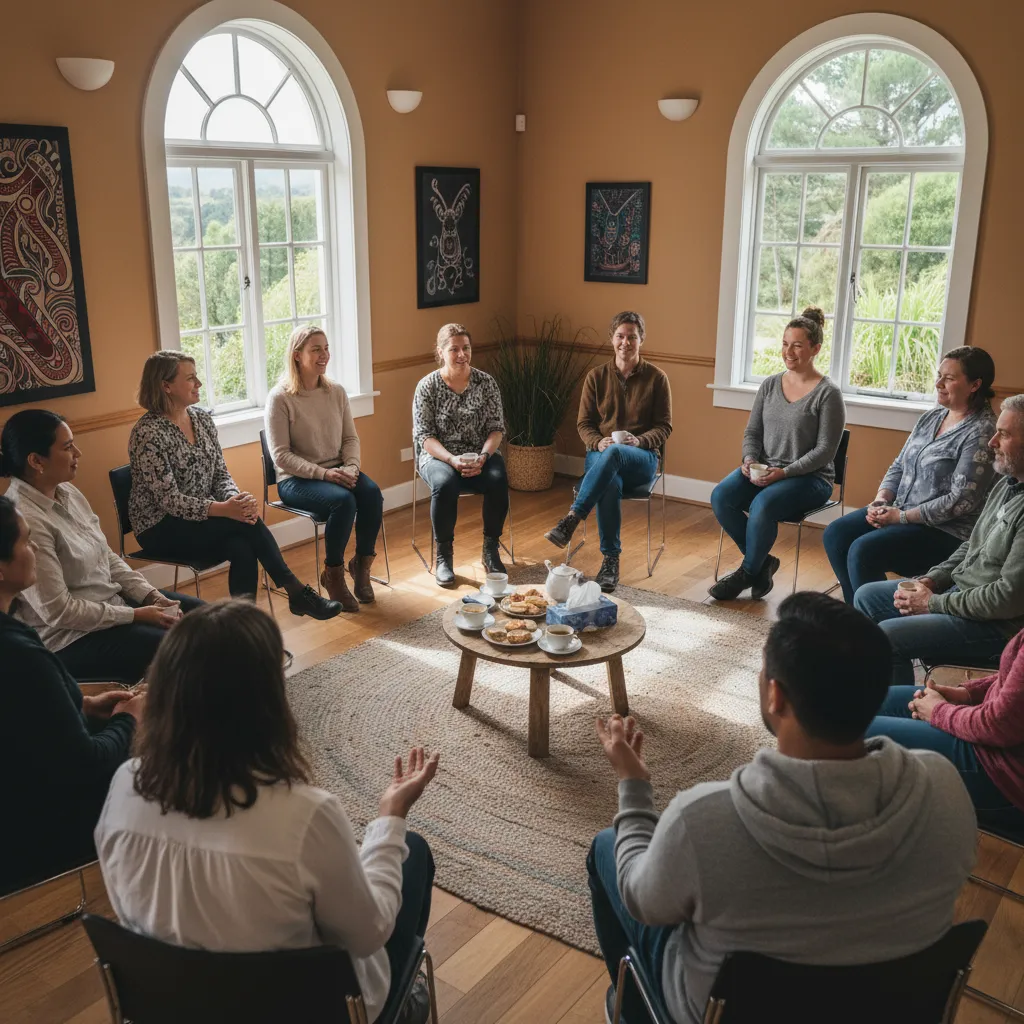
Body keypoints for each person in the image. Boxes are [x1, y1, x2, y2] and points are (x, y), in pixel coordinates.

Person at [587, 592, 975, 1024]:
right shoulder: (944, 786)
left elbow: (643, 900)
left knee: (609, 845)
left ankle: (636, 1010)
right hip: (894, 1007)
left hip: (723, 1009)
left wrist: (634, 785)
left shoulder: (704, 820)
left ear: (776, 695)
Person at [94, 600, 439, 1024]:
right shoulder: (304, 815)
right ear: (267, 702)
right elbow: (368, 934)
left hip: (176, 1007)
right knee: (413, 850)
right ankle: (403, 1008)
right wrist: (390, 816)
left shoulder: (125, 784)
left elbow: (129, 909)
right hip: (309, 1011)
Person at [0, 496, 144, 896]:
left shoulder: (16, 643)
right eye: (25, 543)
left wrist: (84, 705)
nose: (33, 551)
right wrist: (130, 717)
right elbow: (86, 765)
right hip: (41, 828)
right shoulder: (21, 655)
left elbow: (23, 714)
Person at [128, 351, 340, 619]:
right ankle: (295, 591)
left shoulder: (201, 419)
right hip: (160, 526)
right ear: (165, 386)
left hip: (204, 517)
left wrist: (236, 501)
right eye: (191, 378)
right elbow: (169, 501)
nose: (199, 384)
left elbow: (220, 473)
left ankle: (245, 628)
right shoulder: (147, 434)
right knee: (244, 526)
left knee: (242, 545)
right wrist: (224, 510)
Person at [1, 409, 202, 684]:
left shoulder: (67, 491)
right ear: (36, 461)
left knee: (206, 617)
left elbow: (106, 556)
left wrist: (150, 596)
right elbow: (59, 611)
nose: (78, 453)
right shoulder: (25, 518)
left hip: (111, 604)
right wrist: (135, 615)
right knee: (177, 646)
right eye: (68, 447)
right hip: (69, 638)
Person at [855, 394, 1024, 685]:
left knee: (890, 637)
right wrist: (933, 580)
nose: (992, 441)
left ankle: (903, 715)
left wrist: (934, 603)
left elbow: (1005, 600)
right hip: (959, 595)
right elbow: (972, 545)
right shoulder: (1007, 486)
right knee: (866, 596)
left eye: (1004, 434)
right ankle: (877, 694)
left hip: (995, 627)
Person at [824, 347, 997, 604]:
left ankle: (879, 623)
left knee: (864, 550)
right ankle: (857, 615)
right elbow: (899, 465)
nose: (938, 383)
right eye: (939, 375)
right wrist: (882, 499)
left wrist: (901, 517)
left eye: (949, 378)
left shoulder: (983, 431)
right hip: (901, 511)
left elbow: (961, 500)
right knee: (836, 534)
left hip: (945, 531)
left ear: (975, 384)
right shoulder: (931, 417)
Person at [708, 307, 846, 602]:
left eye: (797, 345)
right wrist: (748, 460)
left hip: (810, 479)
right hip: (765, 470)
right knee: (721, 496)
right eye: (785, 344)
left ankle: (747, 572)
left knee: (762, 504)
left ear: (815, 349)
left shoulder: (828, 394)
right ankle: (763, 564)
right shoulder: (770, 384)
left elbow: (824, 452)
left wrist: (784, 473)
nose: (789, 351)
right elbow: (752, 433)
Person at [544, 311, 672, 593]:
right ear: (612, 339)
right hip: (601, 455)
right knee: (609, 480)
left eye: (632, 337)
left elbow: (664, 427)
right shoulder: (596, 377)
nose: (625, 343)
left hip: (642, 458)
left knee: (614, 455)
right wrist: (597, 441)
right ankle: (610, 562)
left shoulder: (657, 378)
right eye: (620, 336)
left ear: (642, 340)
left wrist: (639, 441)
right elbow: (584, 424)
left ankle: (572, 519)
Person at [265, 325, 384, 612]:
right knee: (343, 502)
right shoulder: (280, 398)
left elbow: (350, 439)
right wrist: (324, 474)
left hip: (339, 469)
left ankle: (361, 566)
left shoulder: (336, 392)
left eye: (326, 348)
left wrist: (352, 467)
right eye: (316, 349)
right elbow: (280, 456)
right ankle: (333, 574)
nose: (324, 355)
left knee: (371, 493)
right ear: (297, 355)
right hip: (297, 479)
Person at [867, 629, 1024, 840]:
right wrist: (967, 694)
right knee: (870, 703)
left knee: (860, 732)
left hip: (1006, 770)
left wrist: (938, 711)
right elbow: (1014, 677)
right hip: (1001, 732)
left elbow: (998, 725)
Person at [412, 323, 508, 587]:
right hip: (438, 457)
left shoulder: (486, 383)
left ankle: (490, 549)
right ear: (441, 352)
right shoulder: (427, 387)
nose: (461, 354)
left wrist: (484, 457)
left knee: (498, 478)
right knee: (445, 484)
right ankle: (444, 555)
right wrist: (451, 460)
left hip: (480, 455)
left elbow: (496, 429)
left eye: (466, 348)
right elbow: (425, 437)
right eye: (454, 349)